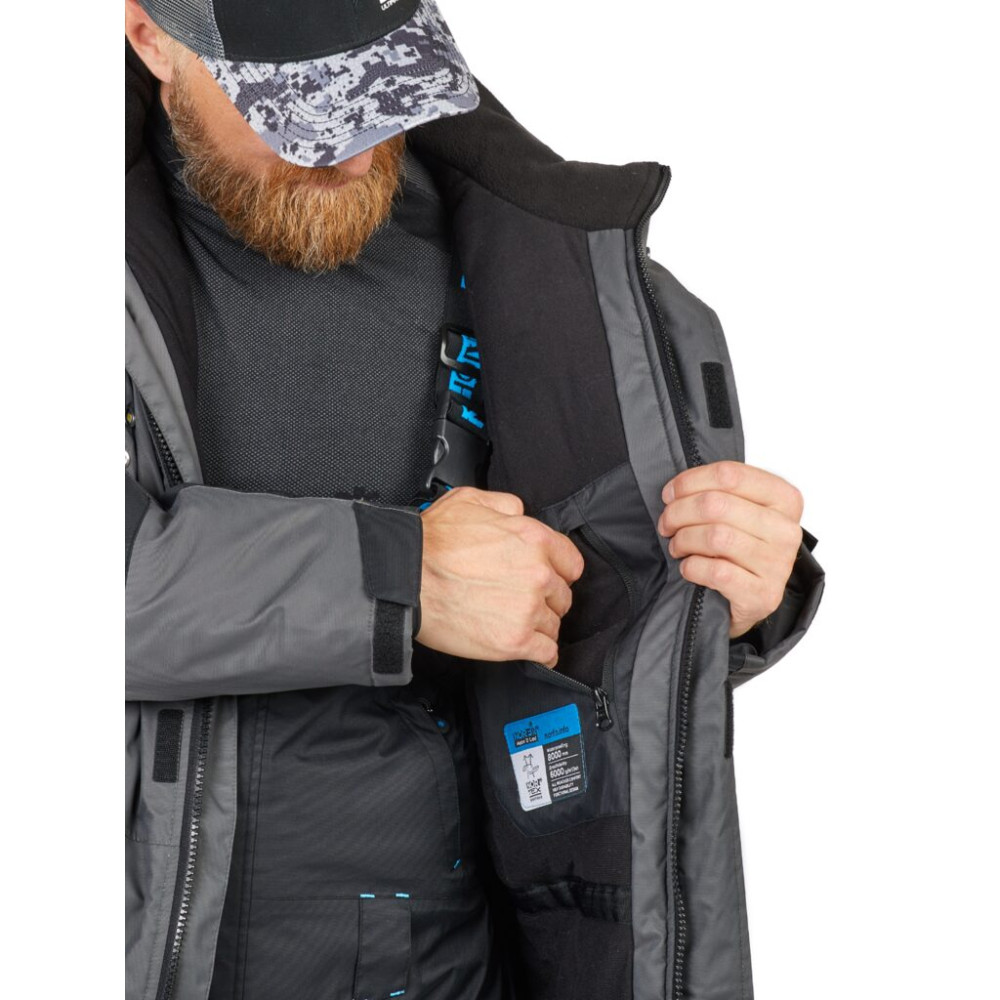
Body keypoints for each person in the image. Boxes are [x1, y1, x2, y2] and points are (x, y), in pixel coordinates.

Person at [125, 2, 822, 998]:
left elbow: (583, 616)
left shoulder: (545, 262)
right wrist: (396, 577)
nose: (346, 146)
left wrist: (725, 588)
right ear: (150, 35)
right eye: (298, 105)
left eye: (378, 90)